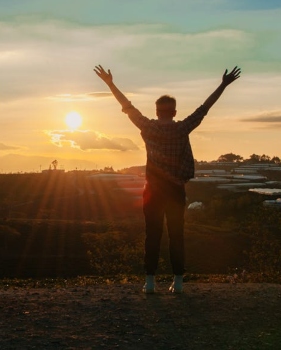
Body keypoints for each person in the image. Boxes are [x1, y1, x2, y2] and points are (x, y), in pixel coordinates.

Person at [93, 64, 241, 293]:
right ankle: (178, 282)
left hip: (152, 190)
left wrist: (110, 84)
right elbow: (205, 108)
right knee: (176, 235)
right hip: (175, 190)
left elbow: (126, 106)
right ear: (173, 112)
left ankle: (150, 282)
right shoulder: (182, 128)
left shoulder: (147, 127)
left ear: (156, 111)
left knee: (152, 235)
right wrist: (223, 84)